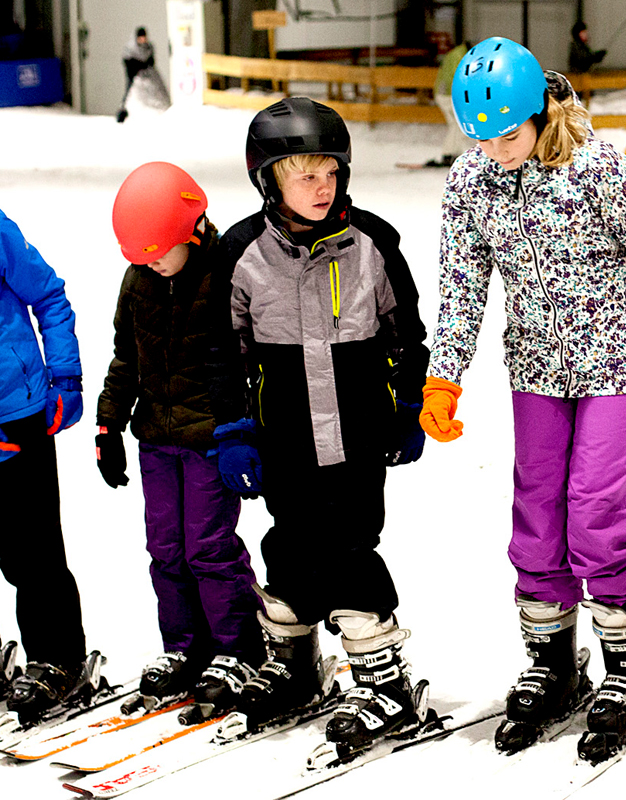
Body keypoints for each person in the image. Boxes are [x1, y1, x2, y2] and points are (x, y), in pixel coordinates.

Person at [426, 37, 626, 763]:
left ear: (540, 113)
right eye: (480, 139)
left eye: (507, 136)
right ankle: (552, 662)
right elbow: (461, 285)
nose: (494, 152)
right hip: (536, 370)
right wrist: (444, 376)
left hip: (619, 363)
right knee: (538, 509)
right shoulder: (471, 182)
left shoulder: (596, 167)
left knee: (597, 510)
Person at [218, 97, 430, 758]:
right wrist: (235, 431)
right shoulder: (242, 253)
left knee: (349, 547)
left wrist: (408, 407)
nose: (322, 186)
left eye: (331, 171)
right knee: (289, 545)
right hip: (283, 437)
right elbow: (224, 353)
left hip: (360, 435)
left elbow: (408, 336)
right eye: (304, 174)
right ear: (268, 181)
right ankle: (295, 666)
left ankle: (384, 683)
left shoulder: (373, 243)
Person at [97, 162, 262, 718]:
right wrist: (108, 425)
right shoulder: (139, 281)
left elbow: (246, 360)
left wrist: (246, 430)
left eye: (159, 252)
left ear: (191, 229)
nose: (152, 263)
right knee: (165, 549)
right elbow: (126, 358)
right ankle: (185, 648)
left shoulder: (224, 275)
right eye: (141, 256)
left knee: (208, 549)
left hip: (210, 439)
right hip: (156, 440)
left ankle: (239, 649)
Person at [0, 208, 107, 717]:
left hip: (17, 414)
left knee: (33, 551)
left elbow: (48, 296)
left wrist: (65, 376)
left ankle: (57, 659)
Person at [425, 41, 474, 168]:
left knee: (456, 124)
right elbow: (458, 76)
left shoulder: (457, 53)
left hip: (445, 93)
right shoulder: (459, 56)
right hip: (448, 94)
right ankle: (450, 154)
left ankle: (452, 153)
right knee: (458, 123)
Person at [117, 26, 154, 123]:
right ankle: (123, 113)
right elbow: (127, 61)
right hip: (133, 75)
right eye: (140, 37)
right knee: (130, 94)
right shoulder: (130, 48)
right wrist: (138, 66)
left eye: (144, 37)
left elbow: (151, 62)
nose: (142, 39)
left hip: (146, 75)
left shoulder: (148, 47)